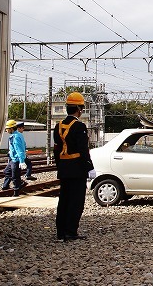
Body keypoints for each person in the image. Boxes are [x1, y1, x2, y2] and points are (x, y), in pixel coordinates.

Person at [53, 92, 93, 242]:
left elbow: (56, 150)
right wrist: (89, 167)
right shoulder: (80, 126)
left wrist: (60, 167)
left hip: (64, 169)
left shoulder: (58, 126)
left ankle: (61, 232)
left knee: (64, 200)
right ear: (78, 109)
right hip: (77, 170)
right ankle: (71, 231)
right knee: (76, 202)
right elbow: (83, 150)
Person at [2, 120, 27, 196]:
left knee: (15, 176)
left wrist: (22, 161)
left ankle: (16, 193)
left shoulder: (15, 137)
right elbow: (24, 145)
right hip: (13, 159)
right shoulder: (17, 135)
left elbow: (19, 149)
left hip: (16, 160)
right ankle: (21, 183)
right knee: (7, 171)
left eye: (7, 129)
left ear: (11, 128)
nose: (6, 130)